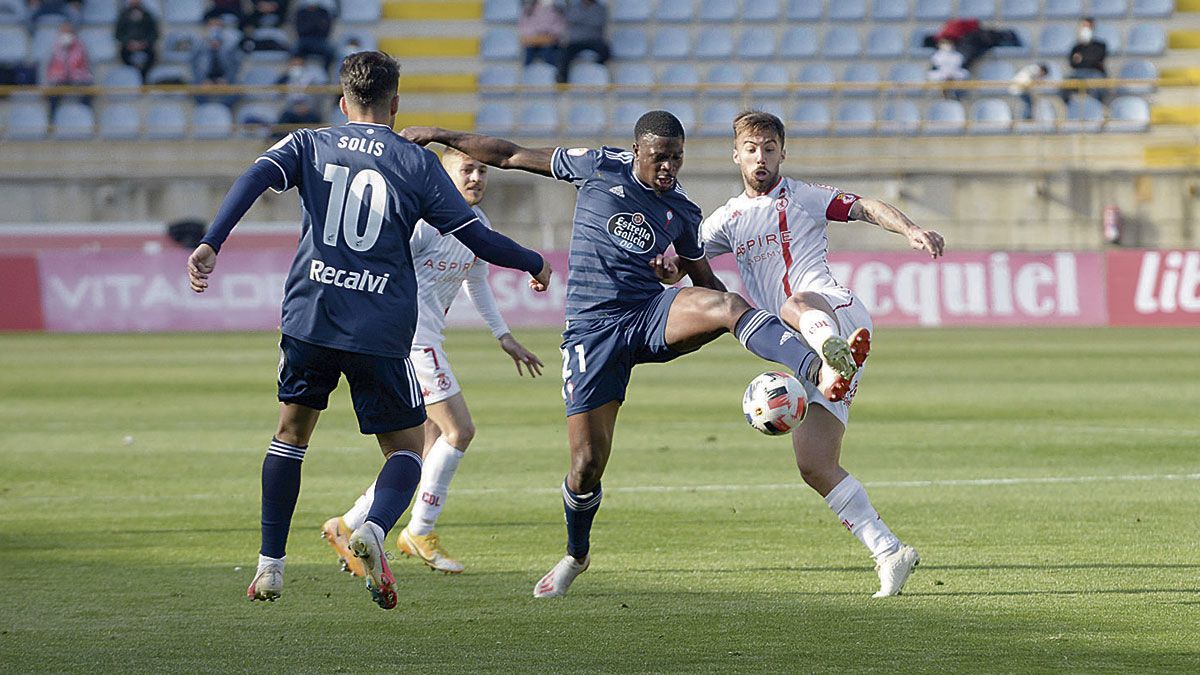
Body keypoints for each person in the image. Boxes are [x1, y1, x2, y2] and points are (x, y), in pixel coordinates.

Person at [401, 110, 859, 599]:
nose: (668, 169)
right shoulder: (598, 167)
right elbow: (511, 155)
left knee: (726, 306)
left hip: (647, 314)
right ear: (637, 151)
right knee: (586, 465)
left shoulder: (682, 210)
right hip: (590, 336)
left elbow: (706, 283)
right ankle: (576, 556)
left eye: (676, 159)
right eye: (660, 158)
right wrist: (441, 135)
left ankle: (818, 362)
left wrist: (675, 277)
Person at [186, 51, 552, 609]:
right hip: (381, 328)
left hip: (312, 315)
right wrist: (533, 261)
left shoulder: (310, 143)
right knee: (406, 450)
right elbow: (478, 239)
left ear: (342, 102)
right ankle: (376, 529)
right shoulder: (416, 163)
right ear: (396, 103)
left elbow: (256, 174)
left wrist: (213, 240)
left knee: (289, 436)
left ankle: (270, 567)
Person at [660, 110, 945, 597]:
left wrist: (911, 230)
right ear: (737, 155)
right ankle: (889, 550)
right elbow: (684, 257)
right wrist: (666, 268)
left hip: (835, 312)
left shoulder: (804, 197)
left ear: (782, 153)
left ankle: (833, 356)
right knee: (814, 464)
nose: (761, 158)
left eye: (769, 149)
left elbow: (866, 206)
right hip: (802, 351)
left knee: (793, 302)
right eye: (751, 149)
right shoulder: (727, 219)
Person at [321, 147, 545, 577]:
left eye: (481, 169)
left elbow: (476, 280)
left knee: (423, 444)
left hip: (424, 339)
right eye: (467, 169)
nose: (476, 176)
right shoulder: (424, 222)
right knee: (459, 430)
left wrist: (504, 336)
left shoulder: (478, 226)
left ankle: (346, 524)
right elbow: (382, 266)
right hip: (410, 340)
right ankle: (418, 531)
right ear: (444, 174)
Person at [556, 0, 610, 84]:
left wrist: (579, 20)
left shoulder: (601, 8)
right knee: (563, 54)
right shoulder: (574, 7)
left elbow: (598, 22)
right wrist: (588, 19)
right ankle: (562, 81)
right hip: (576, 42)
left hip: (594, 41)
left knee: (606, 51)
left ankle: (598, 73)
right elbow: (569, 17)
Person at [43, 22, 91, 114]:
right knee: (53, 97)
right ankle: (52, 122)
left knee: (88, 93)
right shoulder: (53, 46)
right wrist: (44, 85)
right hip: (58, 80)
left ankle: (86, 117)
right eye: (64, 32)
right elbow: (45, 66)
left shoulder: (81, 46)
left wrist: (91, 80)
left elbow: (89, 65)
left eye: (69, 32)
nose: (66, 35)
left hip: (78, 79)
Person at [191, 22, 242, 107]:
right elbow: (195, 68)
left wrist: (226, 80)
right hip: (206, 80)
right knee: (193, 86)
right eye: (212, 40)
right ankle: (205, 107)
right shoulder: (200, 52)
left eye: (217, 40)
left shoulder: (229, 52)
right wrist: (203, 80)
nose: (215, 43)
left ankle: (224, 107)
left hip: (224, 80)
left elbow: (234, 68)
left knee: (237, 86)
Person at [1061, 17, 1107, 104]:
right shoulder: (1077, 47)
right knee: (1066, 84)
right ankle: (1069, 109)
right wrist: (1084, 58)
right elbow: (1072, 63)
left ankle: (1095, 109)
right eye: (1083, 26)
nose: (1084, 29)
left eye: (1087, 26)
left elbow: (1097, 59)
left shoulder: (1100, 45)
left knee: (1096, 85)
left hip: (1094, 73)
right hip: (1078, 73)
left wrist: (1082, 58)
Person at [114, 0, 158, 79]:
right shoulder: (123, 15)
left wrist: (144, 43)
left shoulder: (147, 15)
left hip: (146, 49)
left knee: (148, 64)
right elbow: (118, 34)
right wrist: (129, 43)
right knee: (129, 69)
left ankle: (145, 84)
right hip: (128, 50)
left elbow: (154, 34)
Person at [518, 0, 565, 68]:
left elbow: (559, 28)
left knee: (549, 54)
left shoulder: (556, 9)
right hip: (533, 42)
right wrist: (538, 34)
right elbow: (523, 29)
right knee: (527, 57)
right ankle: (527, 75)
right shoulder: (529, 9)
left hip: (550, 43)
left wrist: (546, 34)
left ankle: (556, 74)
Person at [293, 0, 336, 72]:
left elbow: (326, 30)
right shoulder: (301, 12)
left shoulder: (324, 12)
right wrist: (316, 25)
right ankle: (298, 73)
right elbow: (300, 30)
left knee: (330, 52)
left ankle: (325, 73)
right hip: (304, 40)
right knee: (295, 50)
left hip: (320, 40)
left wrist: (310, 25)